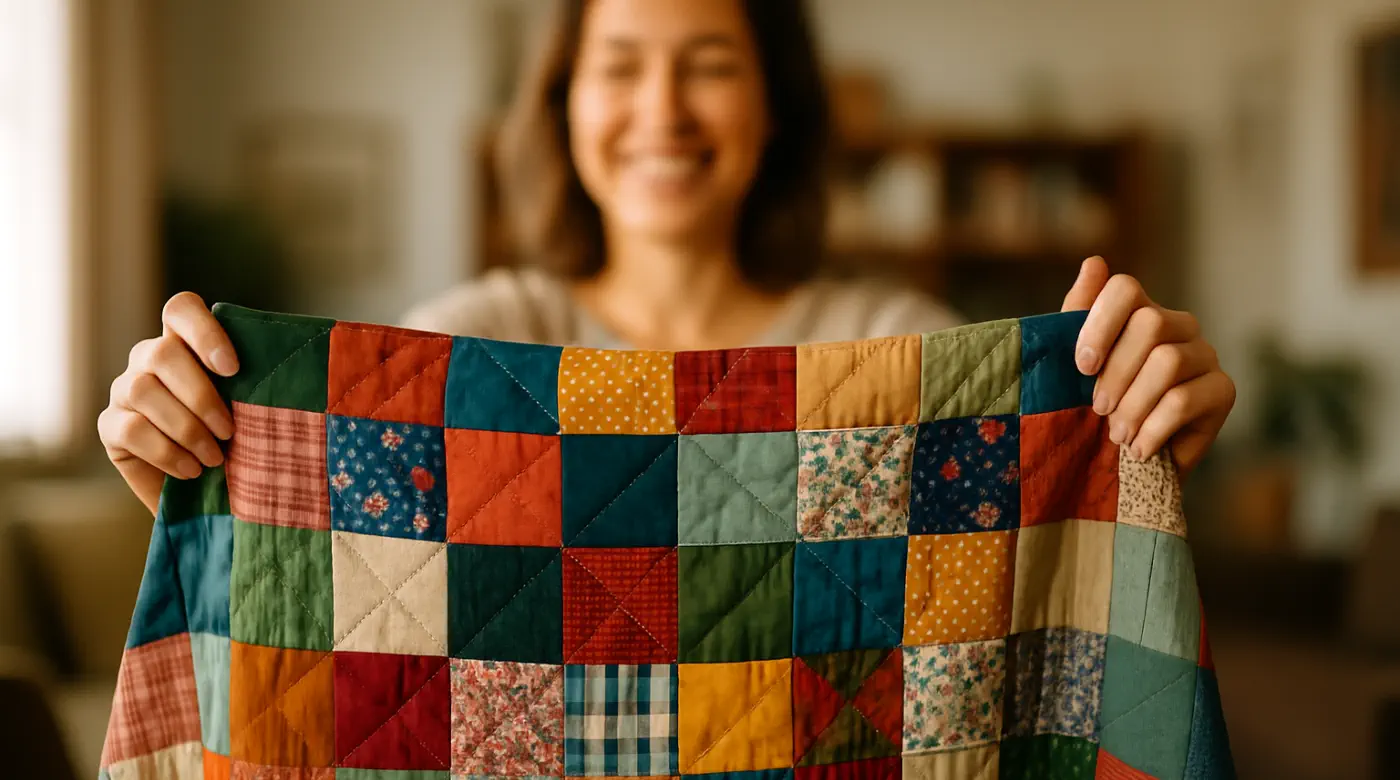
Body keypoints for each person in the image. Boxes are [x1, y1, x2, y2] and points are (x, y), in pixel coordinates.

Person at [98, 0, 1235, 515]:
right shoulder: (463, 333)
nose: (661, 108)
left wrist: (1134, 434)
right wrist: (189, 470)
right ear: (562, 105)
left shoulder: (902, 333)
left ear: (775, 108)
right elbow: (340, 565)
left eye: (707, 62)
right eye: (620, 64)